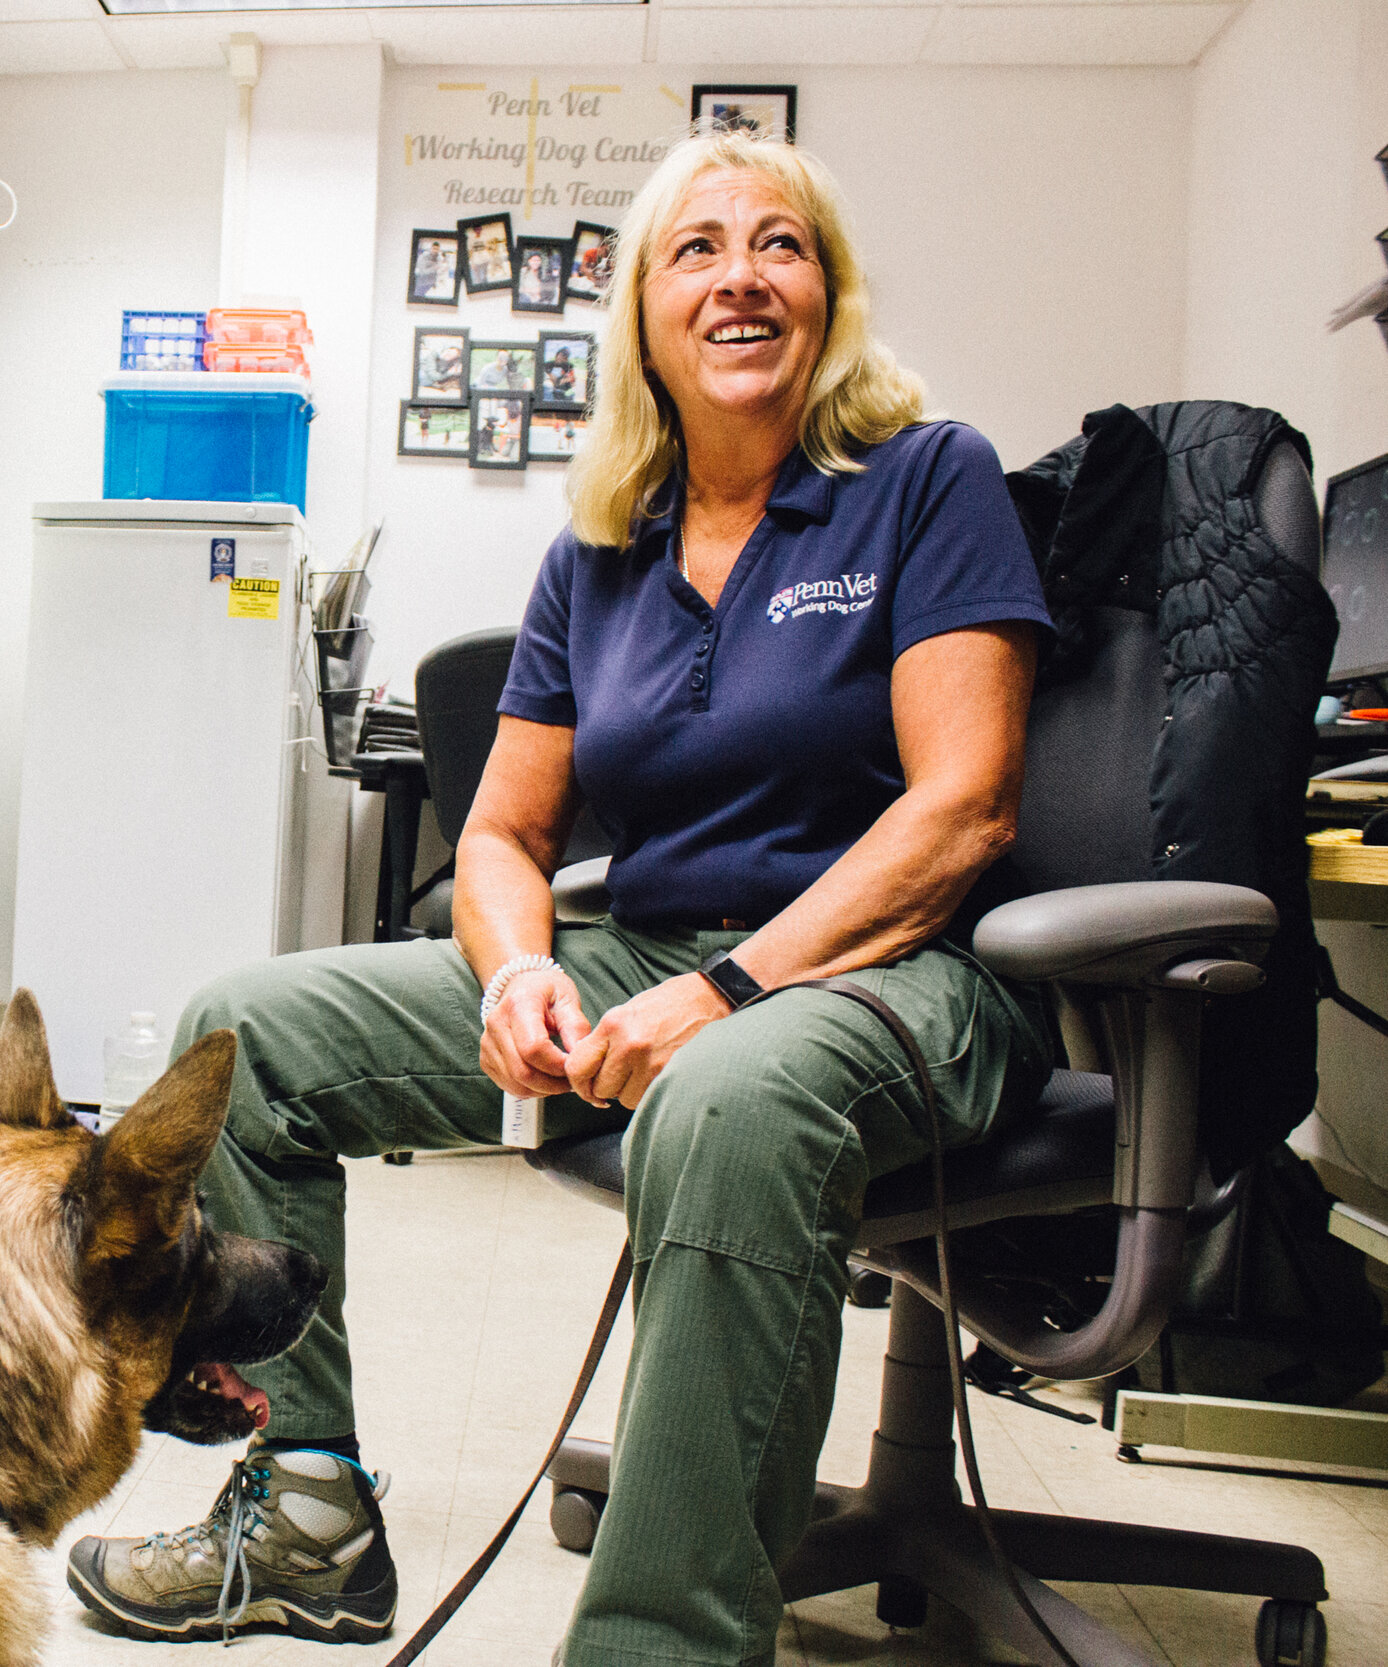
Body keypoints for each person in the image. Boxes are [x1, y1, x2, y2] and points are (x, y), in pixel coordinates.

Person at [63, 127, 1057, 1665]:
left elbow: (963, 809)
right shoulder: (602, 547)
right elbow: (501, 836)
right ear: (645, 316)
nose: (742, 277)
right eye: (698, 249)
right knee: (244, 1035)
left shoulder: (927, 480)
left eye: (780, 244)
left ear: (830, 292)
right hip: (657, 953)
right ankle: (309, 1516)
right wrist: (522, 971)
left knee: (732, 1101)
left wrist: (725, 995)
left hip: (897, 973)